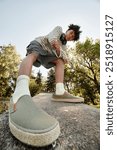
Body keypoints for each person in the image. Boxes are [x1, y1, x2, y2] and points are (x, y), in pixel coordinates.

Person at [9, 24, 84, 147]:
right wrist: (57, 48)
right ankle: (20, 93)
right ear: (68, 30)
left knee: (60, 62)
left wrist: (60, 51)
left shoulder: (64, 46)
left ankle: (59, 92)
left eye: (73, 37)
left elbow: (65, 58)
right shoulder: (59, 29)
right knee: (33, 54)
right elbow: (51, 38)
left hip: (48, 54)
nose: (70, 36)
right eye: (71, 33)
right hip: (39, 45)